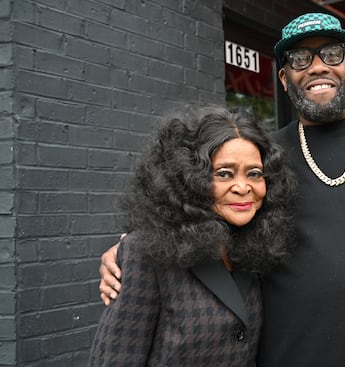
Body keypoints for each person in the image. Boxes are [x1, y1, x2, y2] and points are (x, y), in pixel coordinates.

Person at [99, 13, 345, 367]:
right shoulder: (264, 160)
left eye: (330, 54)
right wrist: (135, 249)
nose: (317, 67)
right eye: (299, 58)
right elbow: (204, 219)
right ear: (283, 76)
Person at [89, 105, 296, 366]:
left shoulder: (256, 248)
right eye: (224, 174)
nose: (243, 187)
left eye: (254, 174)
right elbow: (117, 358)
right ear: (190, 179)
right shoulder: (146, 255)